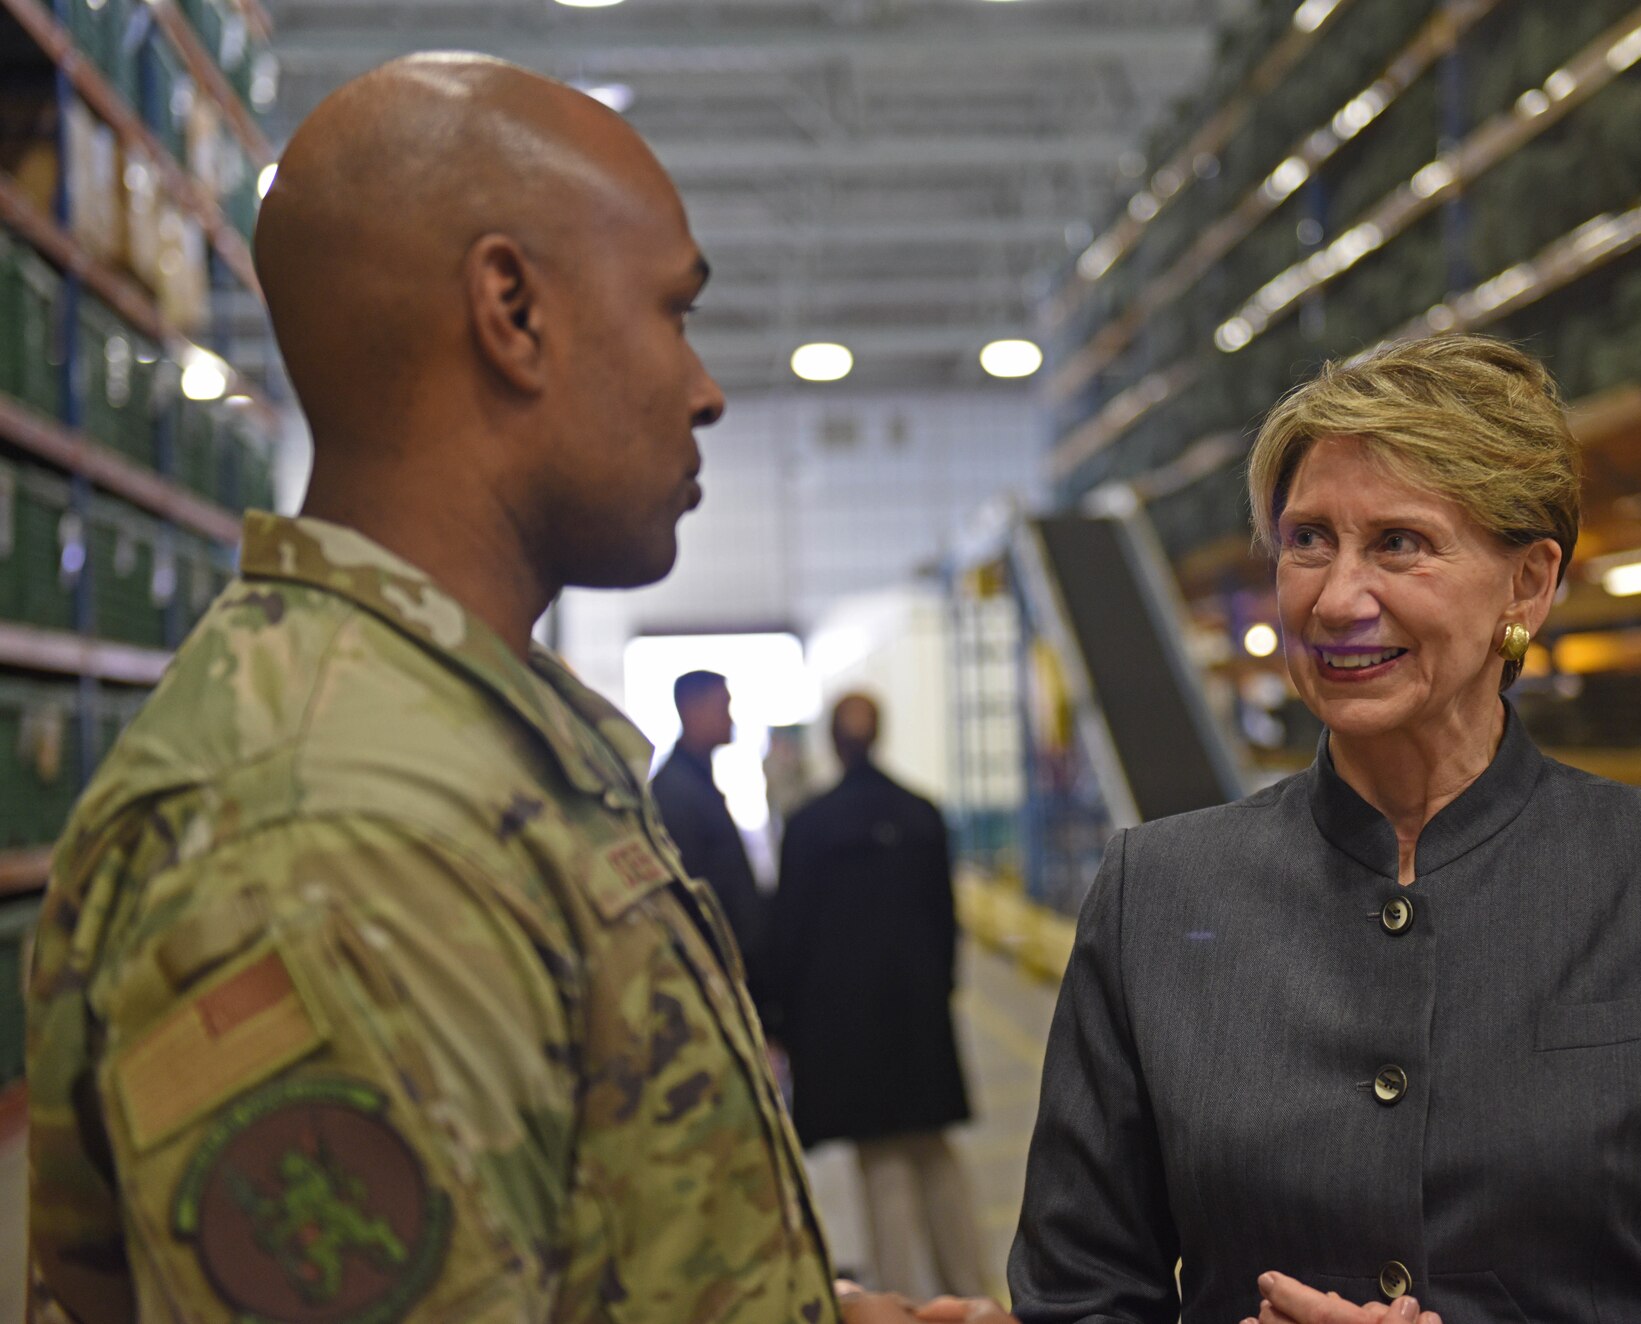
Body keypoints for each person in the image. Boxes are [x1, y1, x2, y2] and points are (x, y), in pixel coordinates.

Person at [26, 53, 1000, 1324]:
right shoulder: (335, 838)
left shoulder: (472, 736)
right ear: (512, 311)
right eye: (673, 312)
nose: (704, 389)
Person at [1007, 334, 1641, 1324]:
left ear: (1527, 585)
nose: (1336, 597)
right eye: (1307, 538)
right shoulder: (1157, 895)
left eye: (1398, 542)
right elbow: (1077, 1294)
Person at [772, 696, 984, 1300]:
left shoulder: (810, 825)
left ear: (834, 743)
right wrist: (937, 992)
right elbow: (947, 925)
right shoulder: (922, 814)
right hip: (919, 1022)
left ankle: (903, 1304)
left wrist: (784, 1019)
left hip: (850, 1030)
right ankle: (969, 1295)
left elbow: (791, 931)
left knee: (882, 1166)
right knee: (937, 1156)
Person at [651, 668, 768, 1000]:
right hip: (708, 975)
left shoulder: (694, 783)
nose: (731, 719)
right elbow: (691, 896)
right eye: (723, 707)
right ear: (691, 710)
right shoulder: (675, 792)